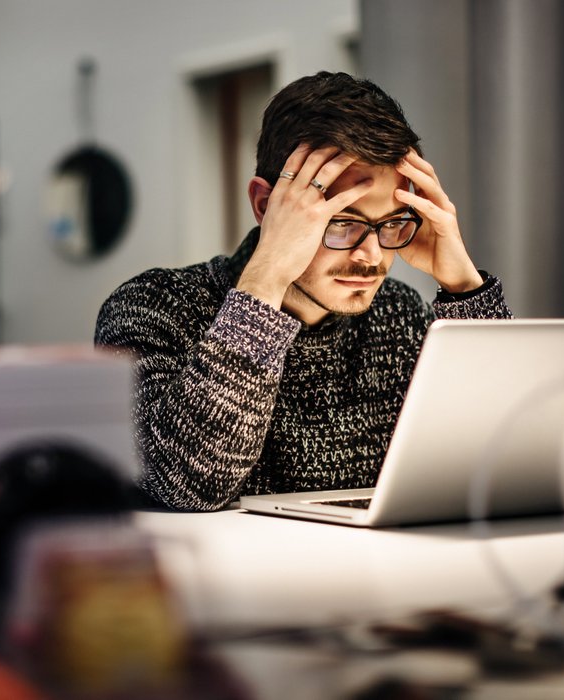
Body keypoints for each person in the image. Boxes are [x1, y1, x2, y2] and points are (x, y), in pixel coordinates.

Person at [94, 71, 512, 511]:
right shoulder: (152, 306)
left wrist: (465, 288)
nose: (371, 255)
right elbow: (188, 487)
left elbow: (506, 459)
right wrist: (268, 275)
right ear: (264, 205)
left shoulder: (401, 315)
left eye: (390, 223)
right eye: (343, 222)